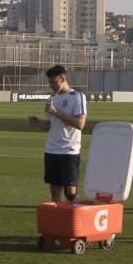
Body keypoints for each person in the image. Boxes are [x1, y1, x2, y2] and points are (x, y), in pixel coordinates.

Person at [28, 65, 87, 201]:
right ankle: (59, 217)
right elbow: (51, 125)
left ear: (63, 79)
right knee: (54, 188)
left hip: (68, 150)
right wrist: (38, 123)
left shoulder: (77, 96)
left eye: (53, 82)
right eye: (49, 82)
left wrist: (57, 112)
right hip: (51, 149)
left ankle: (73, 216)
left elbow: (80, 124)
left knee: (70, 191)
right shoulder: (52, 98)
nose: (50, 85)